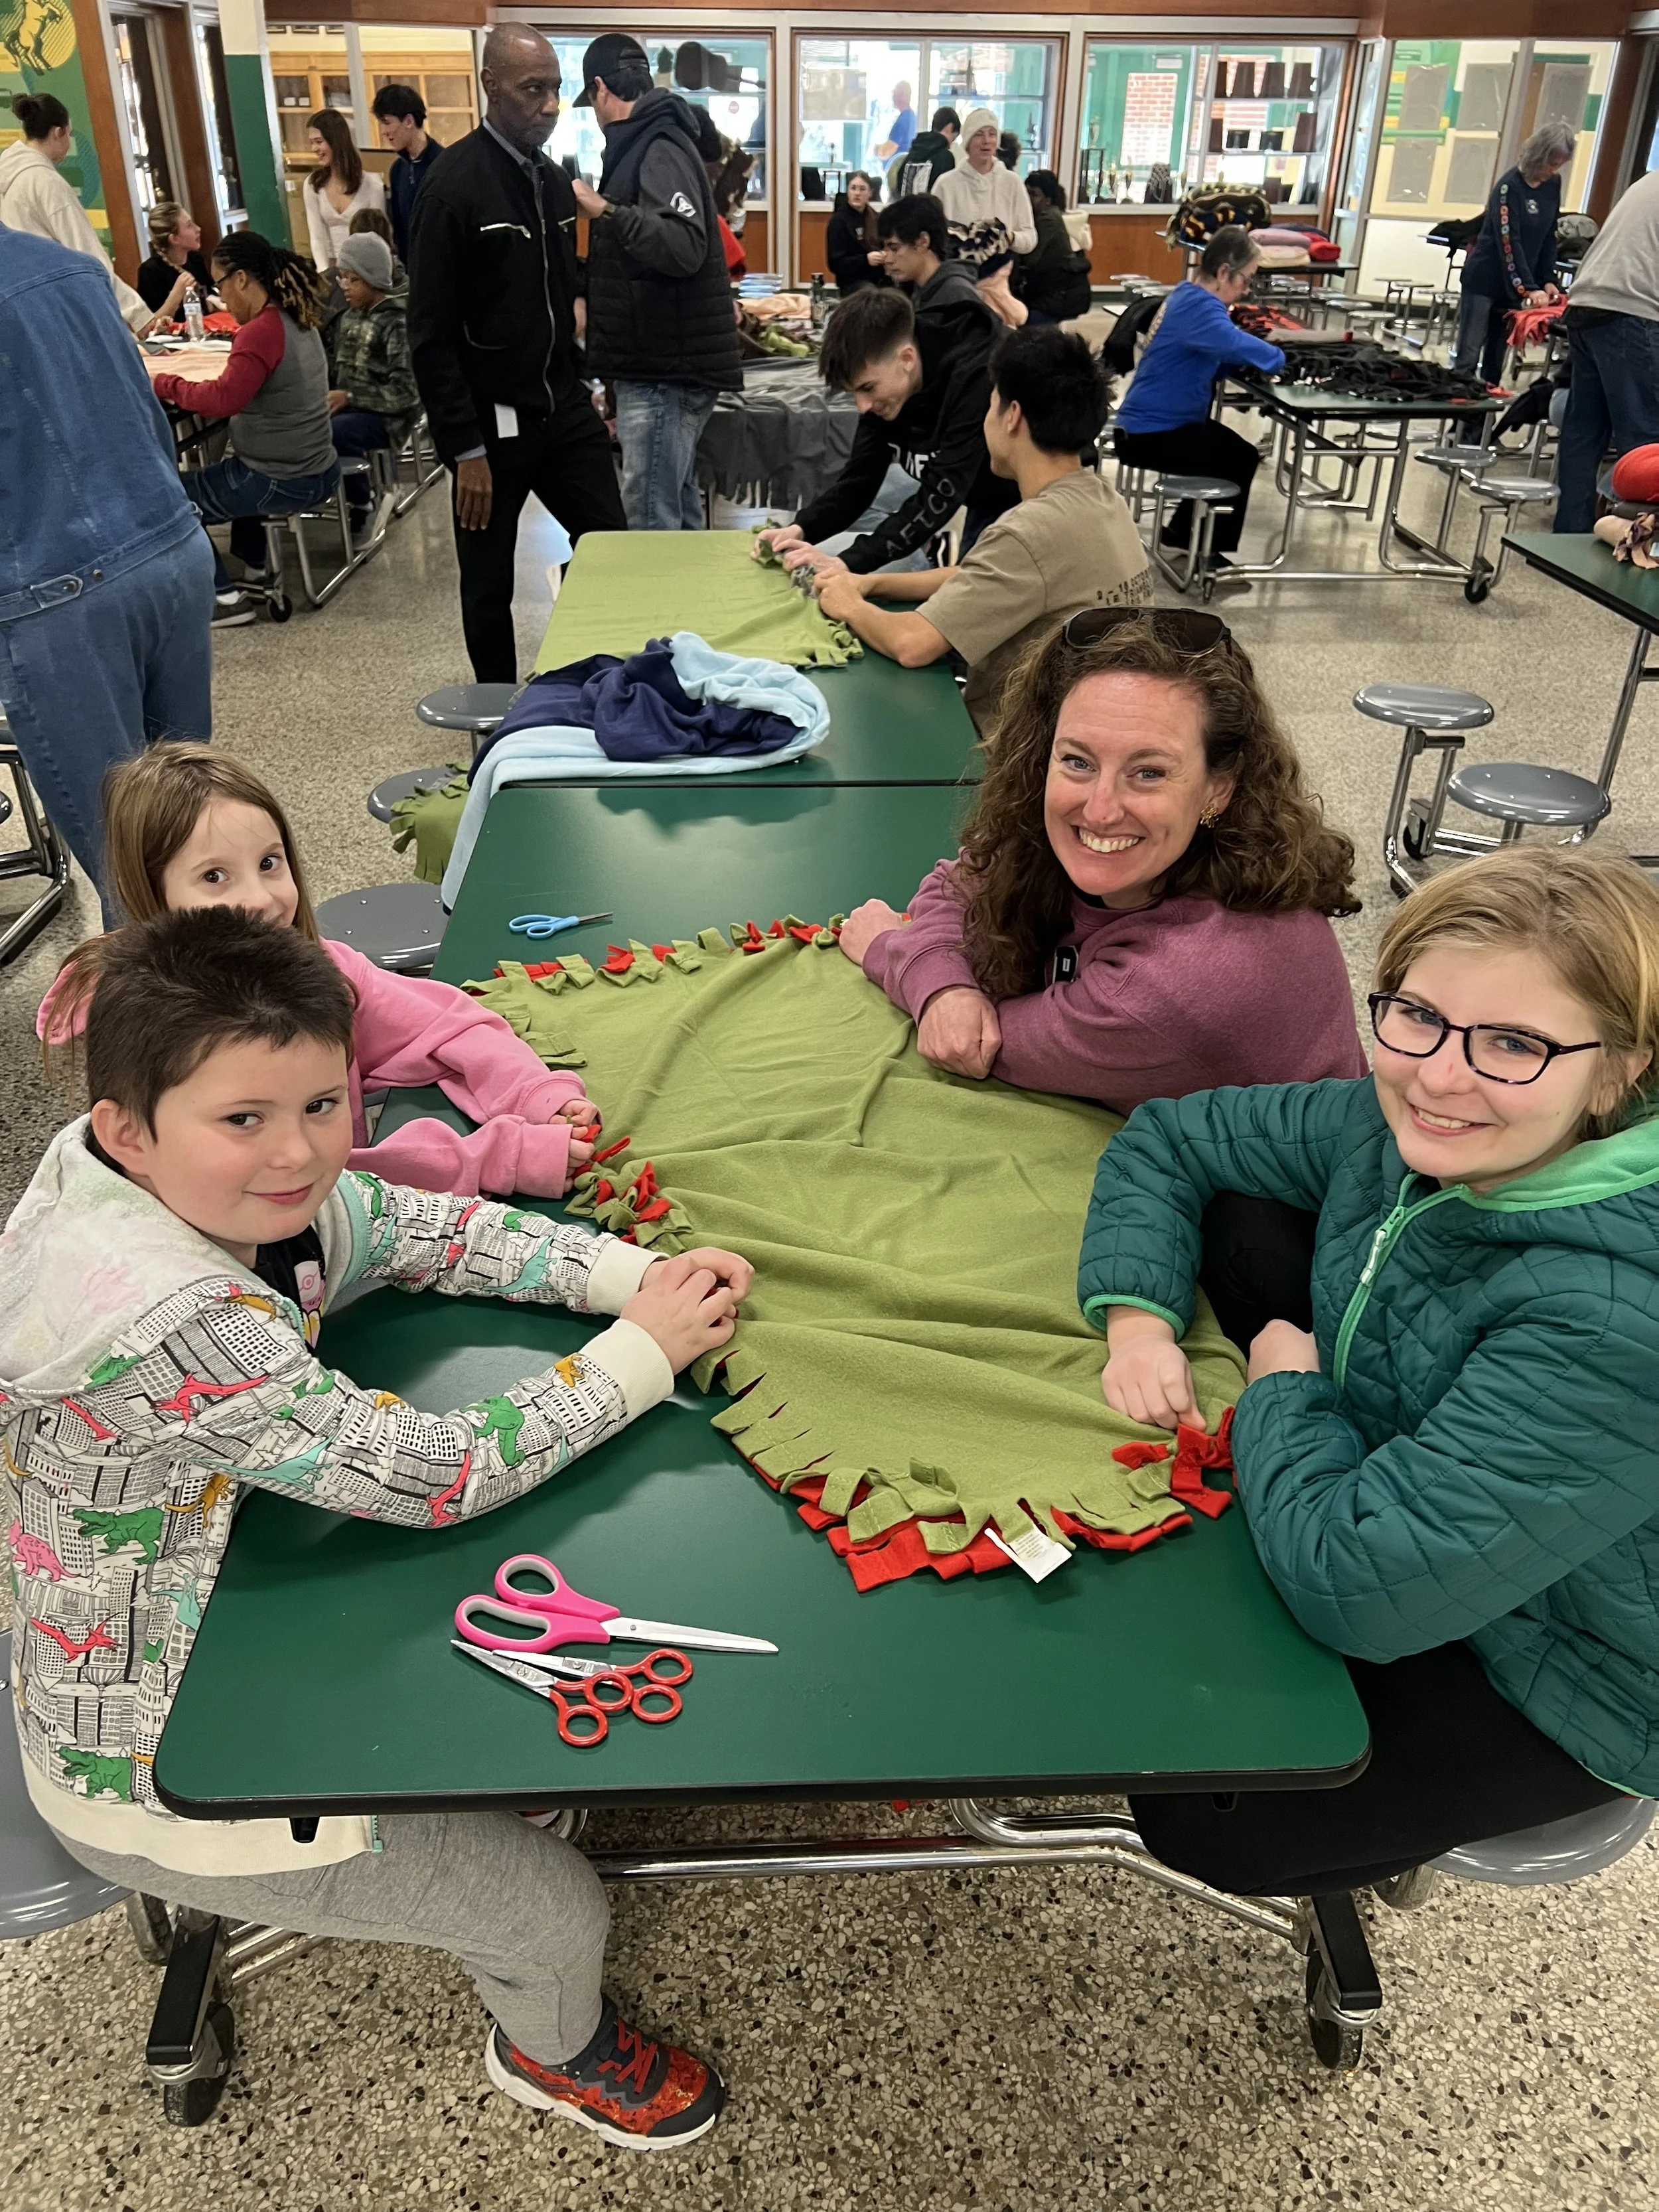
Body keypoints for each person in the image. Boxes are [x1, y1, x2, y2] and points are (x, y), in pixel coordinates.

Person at [5, 904, 743, 2151]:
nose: (299, 1154)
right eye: (246, 1118)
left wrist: (627, 1277)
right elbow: (430, 1469)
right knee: (551, 1907)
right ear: (130, 1131)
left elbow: (413, 1228)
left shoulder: (188, 1177)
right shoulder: (167, 1313)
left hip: (223, 1611)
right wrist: (641, 1350)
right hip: (150, 1768)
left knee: (486, 1749)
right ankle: (553, 2047)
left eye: (322, 1105)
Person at [1080, 846, 1659, 1895]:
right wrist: (1139, 1320)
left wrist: (1282, 1394)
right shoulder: (1402, 1127)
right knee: (1245, 1213)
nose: (1440, 1074)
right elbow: (1172, 1135)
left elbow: (1361, 1591)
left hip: (1575, 1666)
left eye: (1515, 1043)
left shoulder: (1615, 1319)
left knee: (1207, 1806)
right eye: (1418, 1017)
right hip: (1434, 1493)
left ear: (1618, 1070)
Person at [837, 613, 1364, 1108]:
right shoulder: (1099, 847)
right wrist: (947, 986)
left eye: (1149, 772)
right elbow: (958, 883)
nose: (1100, 809)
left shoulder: (1187, 979)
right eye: (1078, 761)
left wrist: (891, 949)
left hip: (1262, 1201)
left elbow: (976, 1041)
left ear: (1219, 789)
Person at [39, 742, 602, 1201]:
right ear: (152, 894)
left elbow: (448, 1023)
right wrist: (499, 1158)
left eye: (269, 862)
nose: (260, 898)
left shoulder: (329, 970)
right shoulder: (168, 1037)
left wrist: (537, 1095)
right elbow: (320, 1188)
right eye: (215, 877)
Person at [0, 228, 212, 914]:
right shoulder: (73, 269)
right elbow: (146, 410)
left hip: (57, 588)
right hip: (168, 547)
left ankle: (168, 1020)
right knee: (194, 842)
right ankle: (233, 1011)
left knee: (132, 880)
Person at [406, 25, 626, 684]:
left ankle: (606, 676)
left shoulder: (555, 181)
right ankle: (500, 717)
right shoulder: (452, 190)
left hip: (561, 407)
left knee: (615, 549)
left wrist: (586, 377)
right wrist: (464, 450)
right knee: (486, 584)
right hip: (491, 428)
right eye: (534, 90)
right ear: (491, 86)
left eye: (556, 90)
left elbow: (566, 289)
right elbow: (430, 335)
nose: (551, 105)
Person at [814, 326, 1149, 739]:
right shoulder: (1099, 497)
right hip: (1089, 731)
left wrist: (848, 603)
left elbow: (912, 645)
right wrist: (872, 582)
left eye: (989, 406)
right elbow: (978, 575)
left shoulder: (1028, 531)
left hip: (1017, 753)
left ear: (1012, 416)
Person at [757, 202, 1016, 583]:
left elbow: (940, 495)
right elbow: (860, 478)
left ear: (908, 359)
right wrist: (801, 530)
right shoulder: (891, 374)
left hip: (1026, 493)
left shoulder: (976, 373)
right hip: (978, 485)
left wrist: (849, 565)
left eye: (867, 389)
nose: (863, 406)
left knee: (977, 602)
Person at [570, 33, 743, 532]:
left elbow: (684, 246)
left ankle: (665, 612)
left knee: (651, 522)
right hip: (658, 362)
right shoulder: (653, 140)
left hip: (663, 369)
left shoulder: (659, 145)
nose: (595, 114)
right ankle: (688, 609)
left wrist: (607, 211)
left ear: (601, 90)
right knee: (676, 511)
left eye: (592, 103)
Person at [151, 230, 340, 629]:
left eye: (219, 284)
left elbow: (223, 400)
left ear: (241, 280)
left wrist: (164, 383)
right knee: (227, 465)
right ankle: (254, 566)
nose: (220, 294)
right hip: (318, 464)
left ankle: (225, 597)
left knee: (171, 497)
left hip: (282, 476)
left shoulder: (260, 332)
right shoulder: (294, 315)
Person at [1112, 226, 1285, 580]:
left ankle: (1180, 534)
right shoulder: (1201, 307)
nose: (1246, 290)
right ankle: (1207, 555)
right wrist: (1278, 355)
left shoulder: (1187, 295)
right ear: (1224, 272)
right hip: (1151, 432)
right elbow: (1231, 342)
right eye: (1246, 280)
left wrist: (1240, 360)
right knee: (1238, 458)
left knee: (1226, 452)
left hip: (1155, 425)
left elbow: (1213, 353)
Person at [1554, 167, 1659, 534]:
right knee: (1646, 444)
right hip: (1632, 310)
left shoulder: (1650, 181)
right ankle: (1639, 547)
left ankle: (1569, 536)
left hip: (1586, 303)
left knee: (1584, 431)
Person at [0, 92, 151, 330]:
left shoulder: (8, 177)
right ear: (58, 132)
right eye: (69, 134)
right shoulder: (46, 182)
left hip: (22, 307)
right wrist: (138, 315)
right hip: (60, 303)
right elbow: (88, 256)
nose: (69, 142)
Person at [1452, 124, 1574, 386]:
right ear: (1539, 156)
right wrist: (1528, 288)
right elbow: (1510, 243)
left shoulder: (1552, 184)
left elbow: (1548, 235)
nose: (1553, 171)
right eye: (1551, 164)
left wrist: (1547, 279)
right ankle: (1459, 427)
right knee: (1468, 358)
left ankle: (1481, 426)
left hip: (1513, 288)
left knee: (1496, 362)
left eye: (1559, 166)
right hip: (1484, 281)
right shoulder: (1509, 188)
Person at [327, 231, 419, 534]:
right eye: (342, 279)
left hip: (388, 418)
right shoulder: (349, 318)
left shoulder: (397, 322)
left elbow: (406, 394)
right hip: (351, 406)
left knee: (334, 431)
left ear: (373, 279)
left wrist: (350, 397)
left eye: (352, 280)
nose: (345, 288)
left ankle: (362, 501)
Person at [931, 107, 1037, 278]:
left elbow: (1030, 237)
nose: (986, 141)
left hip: (1001, 279)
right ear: (967, 141)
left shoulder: (1012, 182)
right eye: (979, 134)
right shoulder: (946, 184)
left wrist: (1008, 238)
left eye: (992, 134)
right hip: (958, 278)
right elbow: (934, 238)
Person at [302, 107, 386, 273]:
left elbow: (379, 238)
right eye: (312, 143)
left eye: (319, 142)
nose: (314, 149)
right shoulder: (312, 185)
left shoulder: (372, 184)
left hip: (365, 271)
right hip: (331, 270)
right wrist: (325, 273)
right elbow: (316, 237)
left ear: (336, 141)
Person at [371, 81, 444, 265]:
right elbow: (399, 229)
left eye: (387, 123)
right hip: (411, 272)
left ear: (409, 121)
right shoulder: (397, 170)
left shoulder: (445, 164)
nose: (383, 132)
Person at [1013, 171, 1092, 325]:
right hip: (1052, 289)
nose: (1028, 199)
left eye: (1034, 194)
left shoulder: (1047, 219)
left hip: (1054, 293)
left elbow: (1030, 259)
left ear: (1047, 200)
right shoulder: (1047, 215)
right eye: (1026, 193)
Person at [135, 200, 212, 317]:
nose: (198, 229)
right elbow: (151, 325)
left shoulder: (196, 260)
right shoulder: (150, 271)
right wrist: (177, 294)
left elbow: (208, 299)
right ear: (174, 239)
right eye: (189, 225)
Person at [825, 169, 886, 295]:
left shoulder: (876, 218)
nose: (857, 193)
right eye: (853, 188)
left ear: (870, 193)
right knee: (873, 295)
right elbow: (836, 264)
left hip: (879, 276)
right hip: (852, 281)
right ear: (848, 191)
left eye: (862, 189)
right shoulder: (839, 222)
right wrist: (865, 260)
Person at [891, 107, 958, 199]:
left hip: (905, 210)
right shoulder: (946, 158)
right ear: (950, 128)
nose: (950, 146)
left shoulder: (913, 153)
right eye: (953, 139)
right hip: (932, 211)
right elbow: (947, 195)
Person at [874, 81, 916, 163]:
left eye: (894, 95)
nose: (893, 98)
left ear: (901, 96)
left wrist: (877, 150)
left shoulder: (904, 120)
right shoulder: (911, 116)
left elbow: (887, 152)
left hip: (897, 168)